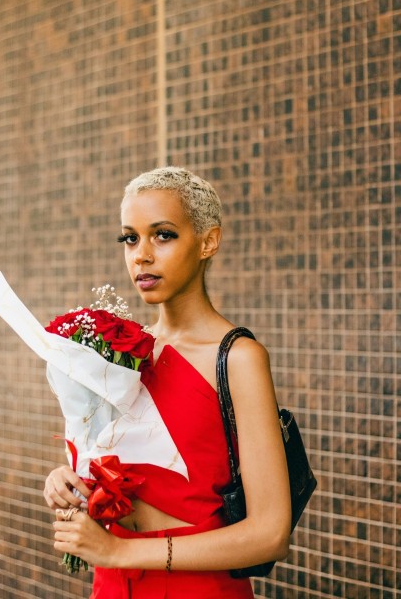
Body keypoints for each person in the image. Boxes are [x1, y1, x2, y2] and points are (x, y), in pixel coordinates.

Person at [44, 167, 291, 598]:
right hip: (111, 585)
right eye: (130, 238)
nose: (140, 254)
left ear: (207, 242)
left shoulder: (237, 358)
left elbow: (270, 534)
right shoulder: (119, 350)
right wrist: (69, 482)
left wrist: (122, 552)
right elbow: (113, 464)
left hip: (195, 588)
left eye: (163, 235)